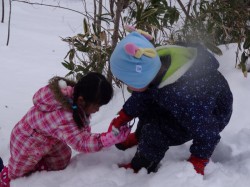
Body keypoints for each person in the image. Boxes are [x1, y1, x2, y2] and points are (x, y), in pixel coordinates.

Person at [108, 26, 233, 175]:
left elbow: (207, 131)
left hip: (212, 115)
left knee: (155, 132)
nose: (128, 86)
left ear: (141, 76)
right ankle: (139, 136)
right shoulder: (155, 65)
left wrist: (198, 160)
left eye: (128, 81)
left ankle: (142, 166)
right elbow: (145, 94)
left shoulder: (183, 95)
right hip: (187, 105)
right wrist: (125, 114)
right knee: (148, 110)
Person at [0, 72, 130, 187]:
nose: (98, 110)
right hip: (27, 141)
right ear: (81, 100)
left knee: (61, 160)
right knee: (16, 174)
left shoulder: (75, 98)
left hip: (49, 138)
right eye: (97, 105)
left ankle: (37, 165)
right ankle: (3, 178)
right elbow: (81, 142)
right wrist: (105, 140)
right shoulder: (65, 116)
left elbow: (81, 129)